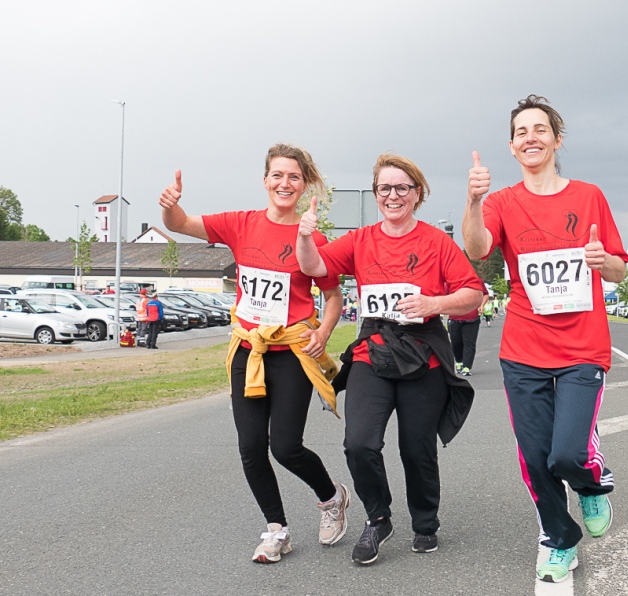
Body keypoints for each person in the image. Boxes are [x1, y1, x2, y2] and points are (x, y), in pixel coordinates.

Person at [462, 94, 628, 583]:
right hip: (524, 347)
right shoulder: (500, 202)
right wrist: (473, 201)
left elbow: (619, 270)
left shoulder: (589, 195)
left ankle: (592, 484)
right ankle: (560, 540)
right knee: (536, 457)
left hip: (582, 346)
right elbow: (477, 248)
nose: (530, 138)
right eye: (521, 132)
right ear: (512, 147)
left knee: (566, 454)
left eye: (540, 129)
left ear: (557, 139)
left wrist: (605, 263)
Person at [157, 143, 350, 564]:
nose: (285, 183)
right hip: (248, 349)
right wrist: (170, 207)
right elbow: (182, 224)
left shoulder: (313, 236)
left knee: (285, 446)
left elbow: (332, 295)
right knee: (250, 446)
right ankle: (276, 530)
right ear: (265, 180)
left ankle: (332, 497)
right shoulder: (240, 224)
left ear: (304, 185)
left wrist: (326, 330)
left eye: (294, 177)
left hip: (292, 351)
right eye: (277, 175)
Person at [296, 153, 486, 565]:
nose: (393, 195)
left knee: (416, 448)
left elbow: (473, 293)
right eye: (385, 188)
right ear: (376, 193)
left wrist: (434, 302)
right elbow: (314, 267)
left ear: (418, 194)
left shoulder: (437, 242)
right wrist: (306, 236)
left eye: (403, 188)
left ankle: (425, 523)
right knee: (358, 442)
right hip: (373, 350)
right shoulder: (361, 239)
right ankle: (378, 517)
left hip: (424, 355)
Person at [448, 293, 484, 376]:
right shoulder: (449, 282)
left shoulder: (476, 281)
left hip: (472, 319)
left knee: (469, 343)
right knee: (456, 342)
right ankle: (459, 361)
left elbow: (484, 294)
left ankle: (466, 367)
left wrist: (481, 305)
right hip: (454, 318)